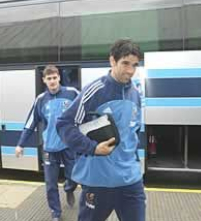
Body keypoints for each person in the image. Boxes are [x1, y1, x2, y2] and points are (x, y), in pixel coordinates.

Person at [56, 39, 146, 221]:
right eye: (125, 63)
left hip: (131, 181)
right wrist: (92, 148)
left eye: (135, 65)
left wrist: (135, 163)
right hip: (98, 181)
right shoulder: (95, 90)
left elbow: (132, 134)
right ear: (112, 61)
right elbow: (64, 125)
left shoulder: (135, 93)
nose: (130, 70)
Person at [15, 65, 79, 221]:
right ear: (44, 80)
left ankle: (69, 188)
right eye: (49, 79)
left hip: (68, 146)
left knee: (75, 176)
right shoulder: (41, 99)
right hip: (50, 147)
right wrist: (20, 144)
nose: (52, 81)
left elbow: (84, 112)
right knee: (50, 184)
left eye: (54, 78)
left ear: (59, 78)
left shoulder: (72, 93)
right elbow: (31, 122)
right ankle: (56, 213)